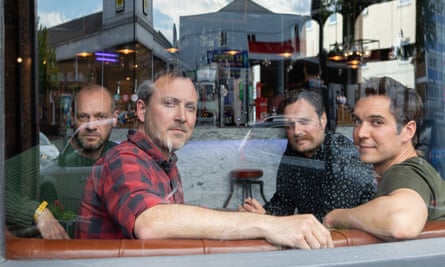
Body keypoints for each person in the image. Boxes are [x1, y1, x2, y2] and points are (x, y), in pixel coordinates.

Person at [75, 71, 333, 250]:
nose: (182, 117)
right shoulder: (122, 159)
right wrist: (268, 224)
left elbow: (174, 228)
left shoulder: (164, 162)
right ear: (141, 110)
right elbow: (151, 223)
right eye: (170, 104)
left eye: (190, 107)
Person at [323, 76, 445, 241]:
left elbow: (402, 221)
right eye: (358, 121)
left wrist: (336, 217)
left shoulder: (404, 173)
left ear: (408, 131)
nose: (361, 133)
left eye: (377, 122)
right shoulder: (416, 169)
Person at [240, 89, 376, 221]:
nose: (297, 131)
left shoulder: (341, 155)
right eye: (290, 125)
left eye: (304, 122)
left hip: (355, 240)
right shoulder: (294, 150)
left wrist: (271, 221)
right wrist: (262, 214)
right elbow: (284, 201)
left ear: (322, 120)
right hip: (316, 237)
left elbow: (330, 220)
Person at [58, 83, 117, 167]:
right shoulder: (57, 162)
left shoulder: (122, 158)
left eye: (100, 117)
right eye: (83, 117)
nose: (91, 126)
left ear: (114, 119)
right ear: (72, 118)